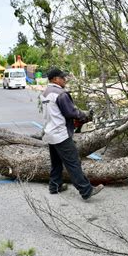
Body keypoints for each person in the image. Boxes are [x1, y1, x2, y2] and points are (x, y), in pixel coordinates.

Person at [40, 68, 104, 200]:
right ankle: (86, 190)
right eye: (62, 78)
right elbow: (71, 112)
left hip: (50, 133)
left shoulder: (45, 93)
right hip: (60, 133)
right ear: (55, 79)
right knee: (73, 162)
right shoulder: (60, 93)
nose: (65, 80)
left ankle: (55, 186)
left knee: (56, 162)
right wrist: (84, 115)